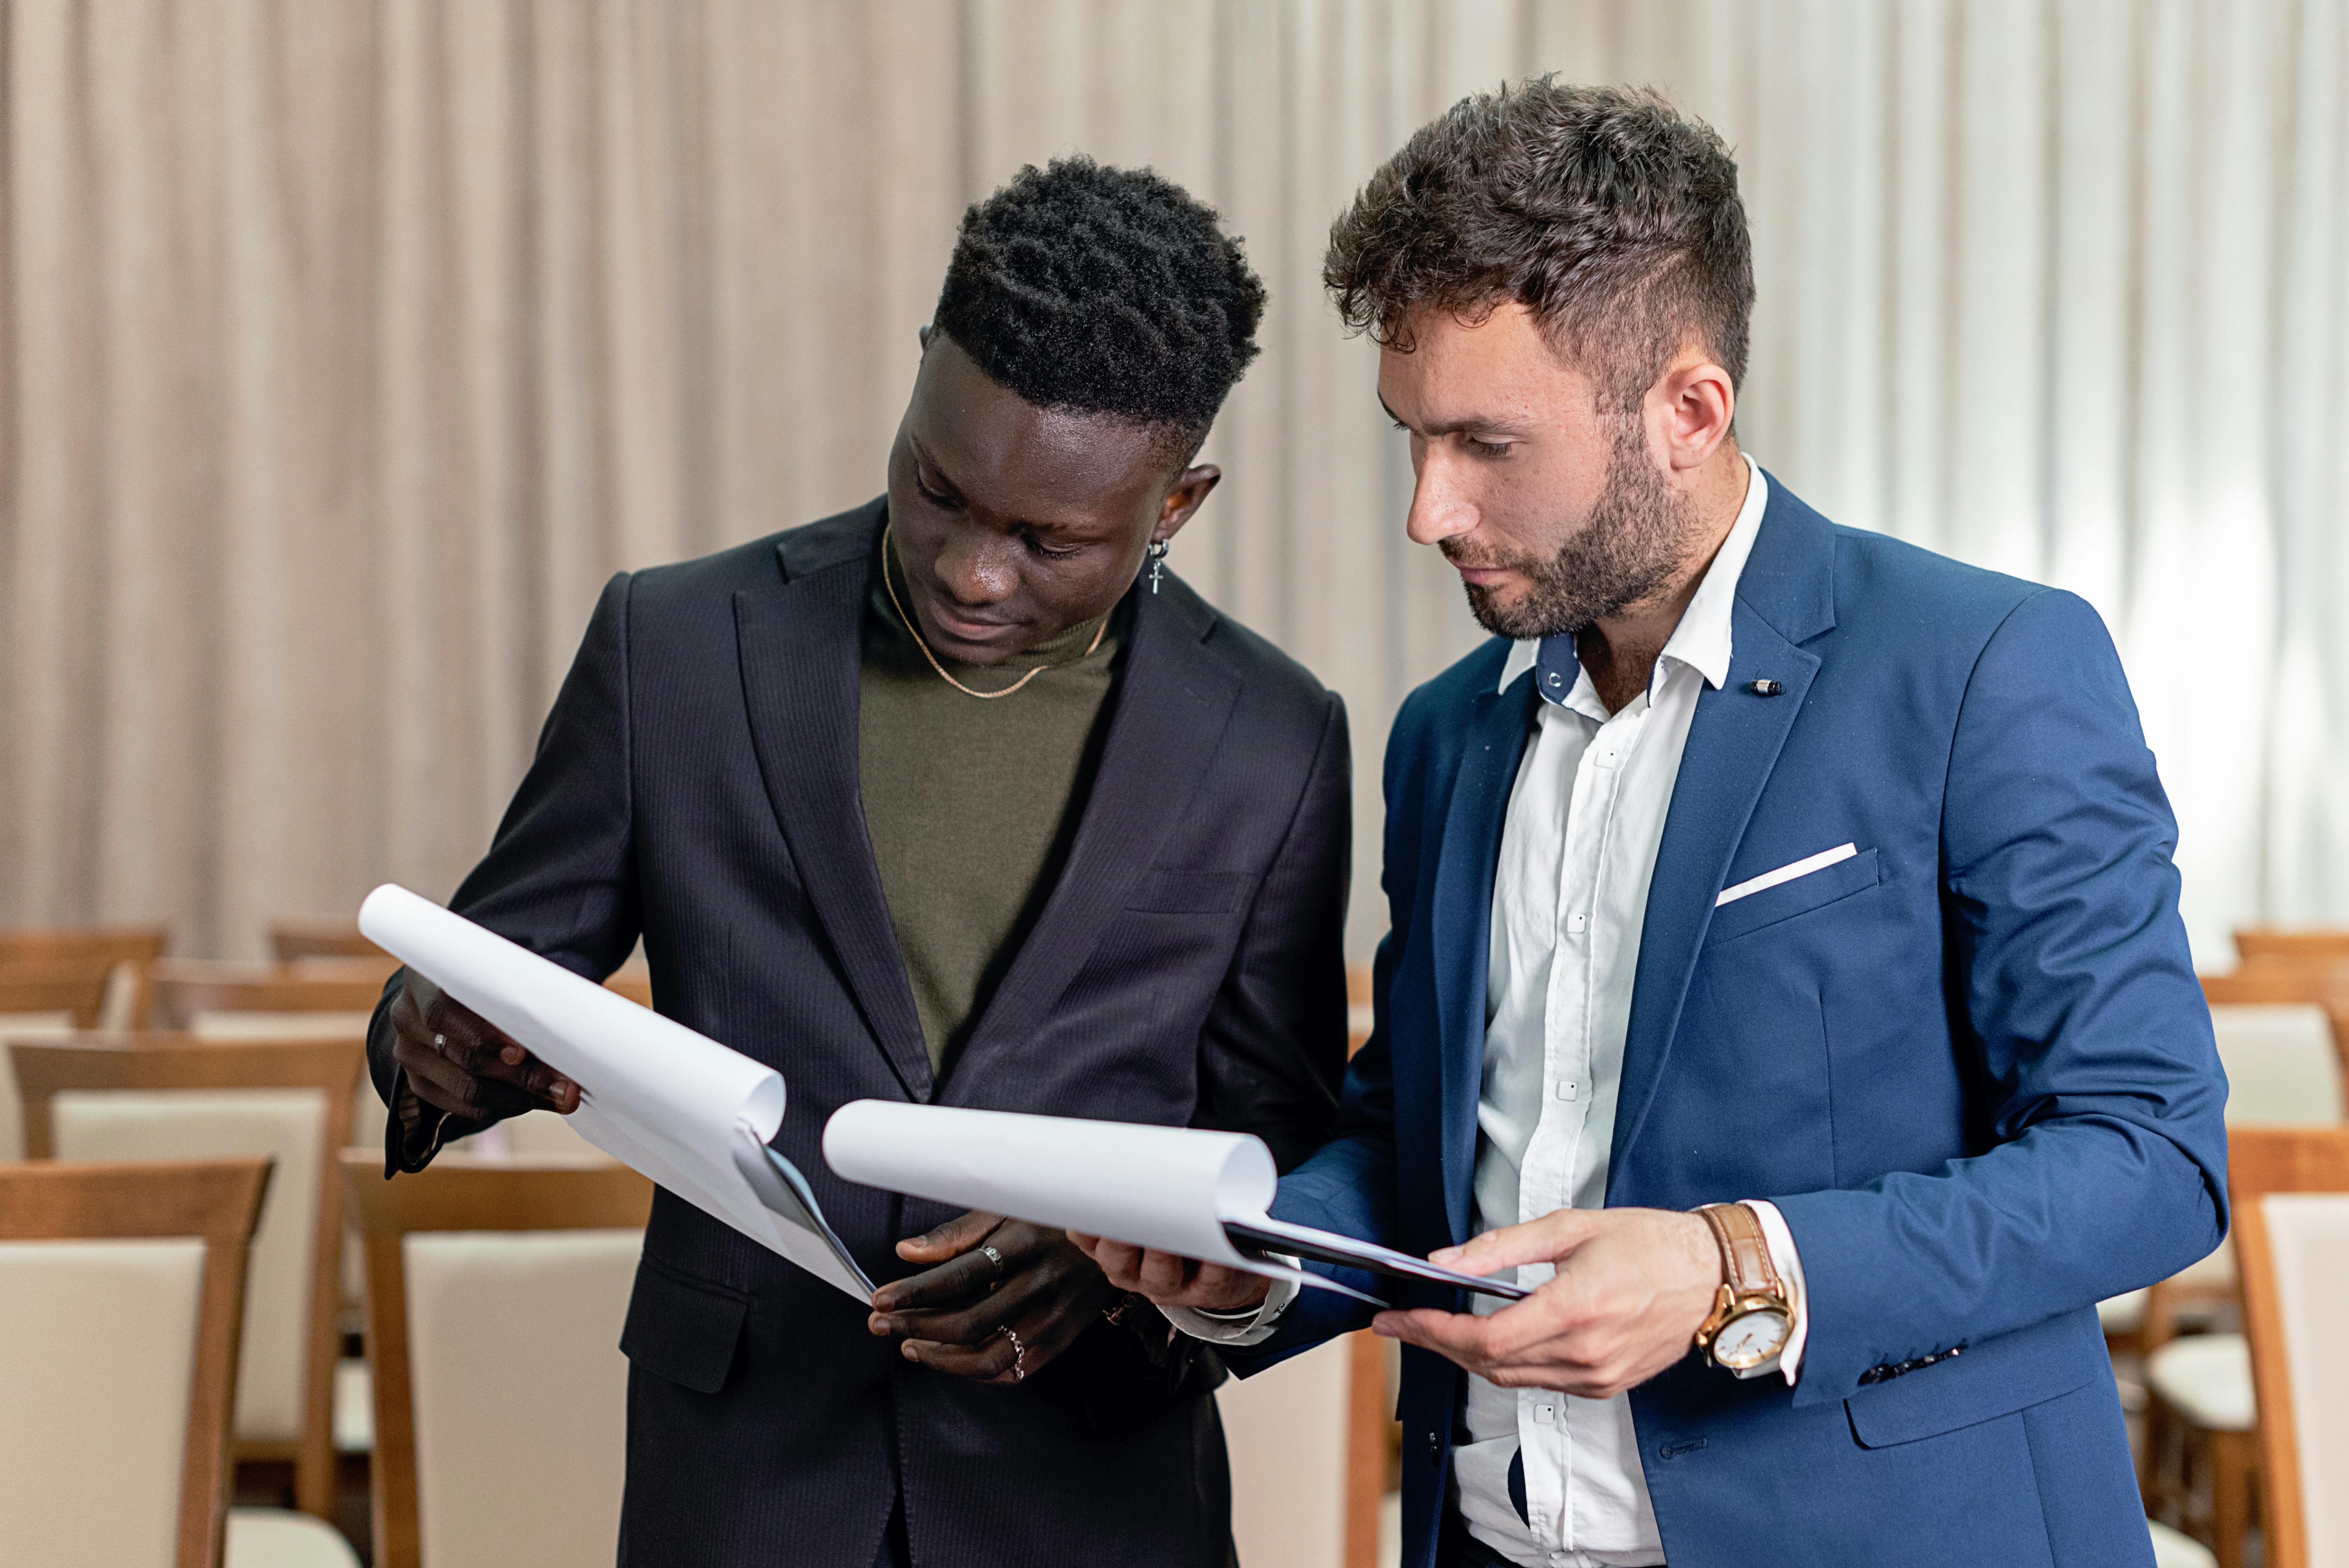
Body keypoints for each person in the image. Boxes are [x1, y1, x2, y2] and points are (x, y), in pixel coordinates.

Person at [1078, 82, 2227, 1568]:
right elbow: (1424, 1128)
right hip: (1487, 1537)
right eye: (1410, 438)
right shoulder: (1446, 731)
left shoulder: (1982, 666)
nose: (1426, 510)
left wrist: (1724, 1266)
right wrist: (1247, 1260)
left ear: (1688, 411)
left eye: (1487, 445)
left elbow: (2150, 1152)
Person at [365, 157, 1352, 1568]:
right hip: (747, 1486)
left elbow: (1287, 1144)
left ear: (1176, 506)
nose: (970, 570)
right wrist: (428, 1045)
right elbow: (475, 985)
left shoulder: (1274, 737)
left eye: (1048, 539)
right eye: (937, 488)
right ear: (915, 386)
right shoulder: (677, 647)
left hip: (1092, 1494)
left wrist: (1115, 1264)